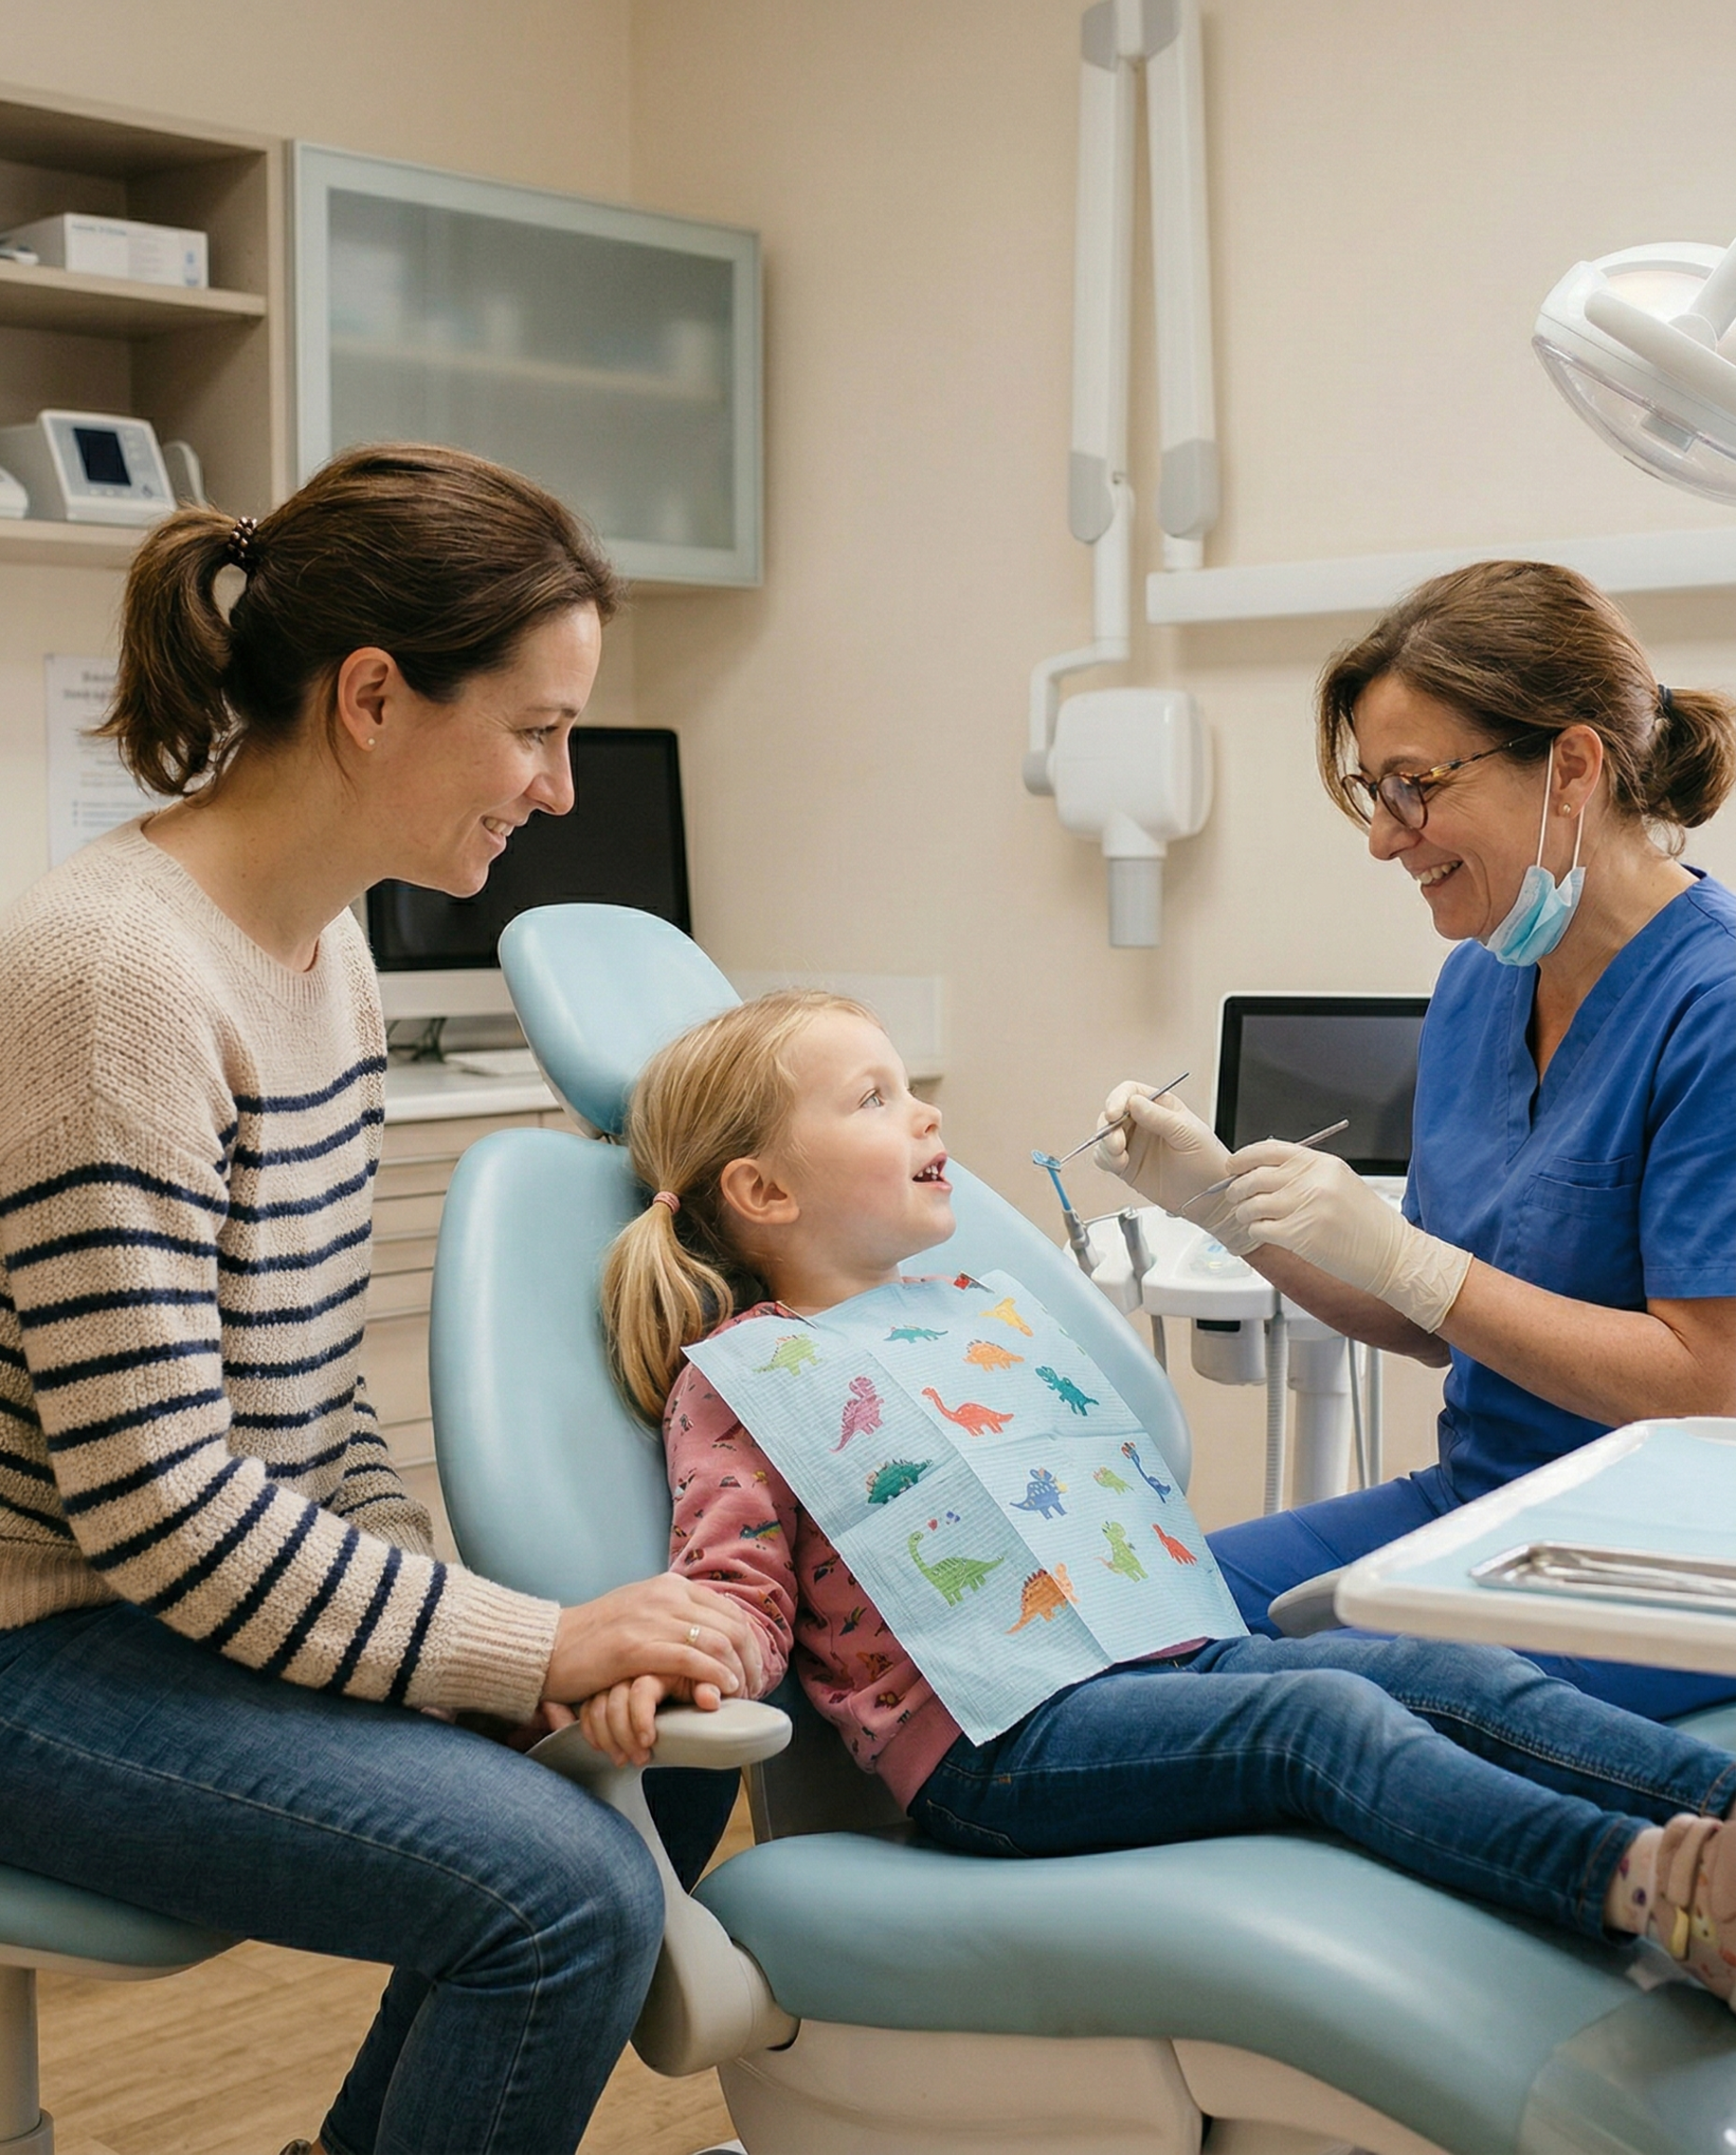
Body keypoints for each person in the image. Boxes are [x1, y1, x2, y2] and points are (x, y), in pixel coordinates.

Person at [0, 444, 764, 2155]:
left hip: (160, 1605)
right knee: (561, 1895)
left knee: (663, 1737)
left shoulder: (322, 949)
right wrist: (520, 1645)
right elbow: (157, 1502)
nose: (557, 788)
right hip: (38, 1640)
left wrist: (477, 1652)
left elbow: (314, 1398)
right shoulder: (118, 974)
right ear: (369, 698)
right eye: (535, 729)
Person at [588, 986, 1736, 2008]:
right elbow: (735, 1590)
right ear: (762, 1190)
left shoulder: (960, 1310)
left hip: (1159, 1658)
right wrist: (680, 1661)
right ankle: (1650, 1891)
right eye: (873, 1099)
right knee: (1321, 1723)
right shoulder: (743, 1379)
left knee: (1446, 1672)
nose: (926, 1114)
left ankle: (1721, 1813)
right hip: (999, 1747)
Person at [1094, 559, 1736, 1722]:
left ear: (1572, 766)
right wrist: (1218, 1203)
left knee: (1319, 1699)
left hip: (1670, 1560)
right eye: (1371, 791)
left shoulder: (1715, 1004)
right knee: (1120, 1614)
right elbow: (1429, 1321)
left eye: (1413, 786)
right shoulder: (1478, 986)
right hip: (1481, 1504)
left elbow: (1710, 1381)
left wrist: (1415, 1263)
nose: (1385, 839)